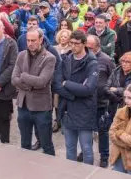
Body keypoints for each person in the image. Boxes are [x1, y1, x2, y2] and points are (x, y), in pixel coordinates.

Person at [53, 30, 99, 165]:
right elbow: (56, 84)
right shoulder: (66, 59)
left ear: (84, 44)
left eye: (76, 44)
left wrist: (67, 83)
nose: (73, 46)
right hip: (67, 109)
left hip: (84, 111)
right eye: (71, 43)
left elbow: (88, 89)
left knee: (86, 148)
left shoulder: (92, 63)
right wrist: (73, 94)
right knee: (70, 147)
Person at [11, 27, 56, 155]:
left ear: (41, 39)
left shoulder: (49, 58)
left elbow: (42, 81)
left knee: (46, 144)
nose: (30, 43)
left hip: (41, 108)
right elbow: (14, 79)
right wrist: (30, 84)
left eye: (33, 40)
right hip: (23, 105)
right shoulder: (21, 55)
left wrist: (24, 77)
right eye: (28, 40)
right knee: (24, 143)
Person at [86, 34, 116, 168]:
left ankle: (104, 156)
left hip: (101, 102)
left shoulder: (106, 60)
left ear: (97, 47)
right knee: (86, 129)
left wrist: (106, 91)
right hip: (86, 101)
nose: (87, 50)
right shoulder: (85, 57)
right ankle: (86, 152)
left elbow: (113, 77)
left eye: (90, 48)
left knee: (103, 131)